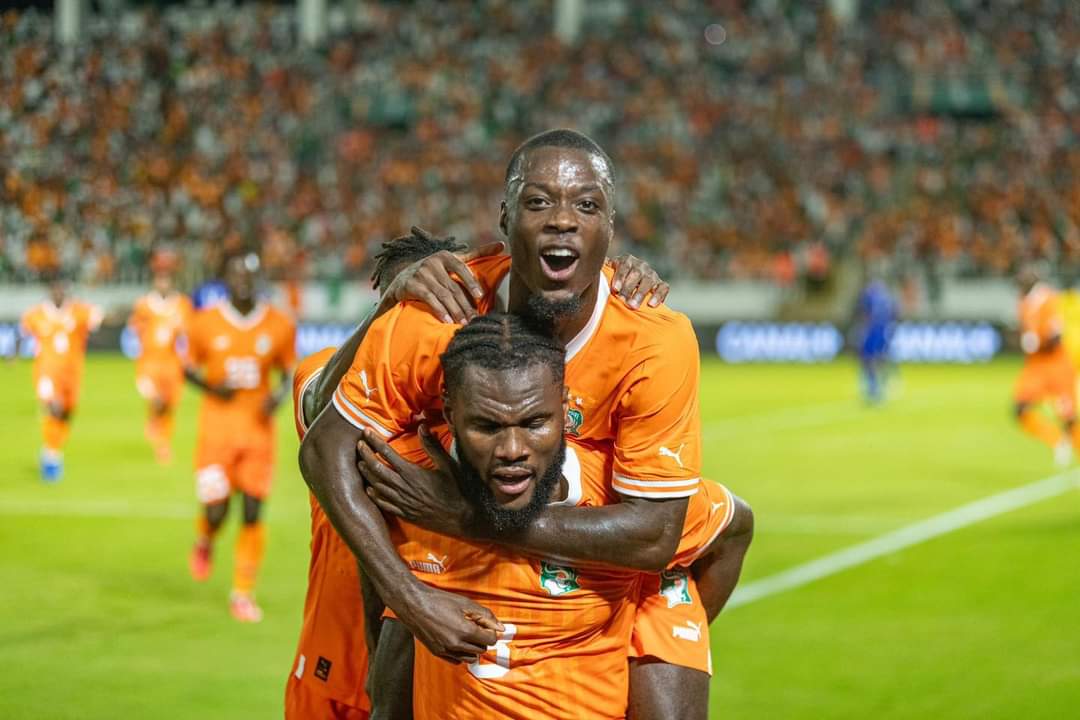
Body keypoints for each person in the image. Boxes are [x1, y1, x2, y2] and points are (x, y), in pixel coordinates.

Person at [300, 129, 726, 718]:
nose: (562, 220)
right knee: (394, 480)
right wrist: (414, 600)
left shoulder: (654, 338)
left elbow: (658, 535)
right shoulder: (438, 309)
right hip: (457, 565)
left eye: (586, 205)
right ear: (504, 218)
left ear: (611, 228)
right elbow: (323, 444)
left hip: (619, 563)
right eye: (538, 201)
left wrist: (465, 517)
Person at [184, 252, 296, 621]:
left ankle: (243, 592)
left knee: (251, 512)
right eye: (237, 274)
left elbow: (289, 371)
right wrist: (211, 387)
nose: (243, 281)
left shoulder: (279, 324)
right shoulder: (204, 322)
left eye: (250, 274)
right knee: (216, 511)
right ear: (226, 279)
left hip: (258, 434)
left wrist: (278, 397)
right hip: (216, 432)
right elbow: (187, 368)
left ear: (259, 279)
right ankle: (206, 538)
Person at [20, 274, 103, 481]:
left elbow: (100, 317)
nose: (58, 292)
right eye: (55, 288)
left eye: (62, 289)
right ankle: (52, 458)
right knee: (54, 408)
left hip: (72, 374)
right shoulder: (36, 314)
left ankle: (51, 449)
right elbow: (22, 334)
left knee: (66, 413)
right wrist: (12, 354)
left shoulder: (79, 311)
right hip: (47, 372)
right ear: (49, 291)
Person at [127, 250, 192, 463]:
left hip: (172, 363)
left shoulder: (182, 304)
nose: (163, 283)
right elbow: (133, 330)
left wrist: (187, 355)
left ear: (171, 282)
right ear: (155, 281)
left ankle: (161, 434)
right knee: (157, 400)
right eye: (160, 279)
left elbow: (188, 334)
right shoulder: (144, 305)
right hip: (149, 363)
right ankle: (162, 443)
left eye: (166, 279)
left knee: (170, 404)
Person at [1013, 268, 1080, 467]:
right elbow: (1025, 332)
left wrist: (1037, 342)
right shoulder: (1023, 302)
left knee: (1069, 417)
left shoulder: (1049, 299)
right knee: (1020, 408)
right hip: (1035, 366)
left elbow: (1056, 337)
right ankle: (1057, 441)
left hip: (1057, 364)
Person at [855, 274, 897, 404]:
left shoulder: (869, 294)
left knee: (868, 358)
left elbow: (864, 312)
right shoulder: (888, 296)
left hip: (872, 330)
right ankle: (884, 381)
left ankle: (874, 387)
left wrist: (863, 329)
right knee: (881, 356)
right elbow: (894, 313)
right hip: (883, 330)